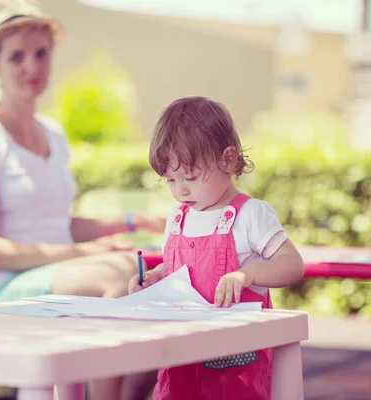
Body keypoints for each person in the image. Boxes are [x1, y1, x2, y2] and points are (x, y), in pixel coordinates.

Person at [0, 2, 160, 398]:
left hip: (52, 275)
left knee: (148, 276)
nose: (33, 66)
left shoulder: (54, 134)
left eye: (42, 52)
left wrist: (134, 222)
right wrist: (82, 253)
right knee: (118, 275)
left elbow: (58, 223)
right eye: (17, 56)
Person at [128, 96, 305, 400]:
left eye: (190, 177)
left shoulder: (251, 214)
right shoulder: (178, 217)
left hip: (234, 364)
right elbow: (180, 272)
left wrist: (246, 275)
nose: (180, 190)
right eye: (170, 180)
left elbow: (292, 264)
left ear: (229, 160)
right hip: (180, 354)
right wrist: (157, 277)